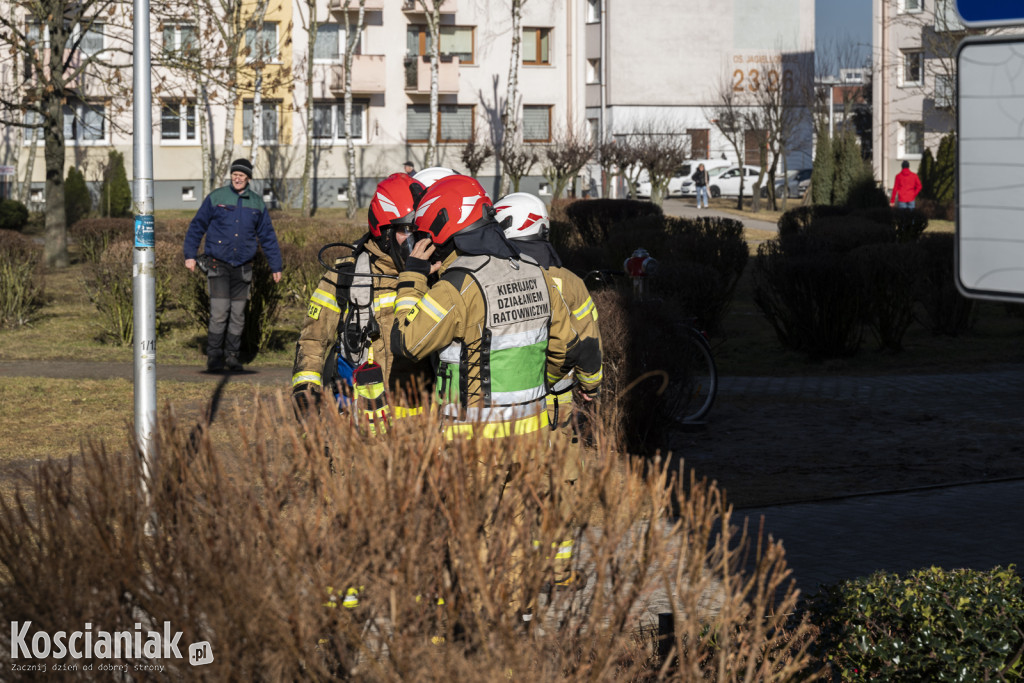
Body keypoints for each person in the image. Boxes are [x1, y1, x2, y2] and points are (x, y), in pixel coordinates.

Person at [391, 175, 576, 440]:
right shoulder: (537, 272)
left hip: (474, 445)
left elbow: (407, 344)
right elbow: (563, 349)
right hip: (533, 436)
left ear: (440, 225)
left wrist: (413, 278)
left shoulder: (455, 287)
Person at [291, 173, 430, 429]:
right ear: (384, 231)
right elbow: (313, 339)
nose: (414, 239)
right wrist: (306, 392)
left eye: (418, 229)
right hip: (361, 426)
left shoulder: (432, 274)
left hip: (417, 428)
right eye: (405, 229)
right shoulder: (346, 275)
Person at [493, 192, 602, 438]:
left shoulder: (492, 279)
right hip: (557, 403)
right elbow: (588, 339)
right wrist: (590, 386)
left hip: (505, 402)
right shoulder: (570, 281)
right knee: (559, 472)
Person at [184, 158, 283, 372]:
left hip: (244, 267)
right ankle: (214, 357)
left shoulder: (256, 203)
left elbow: (267, 236)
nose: (237, 178)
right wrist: (190, 255)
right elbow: (197, 226)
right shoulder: (217, 198)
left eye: (242, 175)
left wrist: (276, 266)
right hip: (218, 265)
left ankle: (232, 356)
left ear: (248, 178)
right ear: (231, 176)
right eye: (235, 174)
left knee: (238, 314)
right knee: (220, 312)